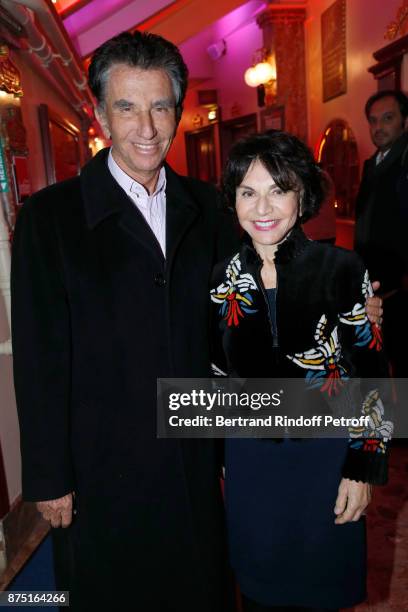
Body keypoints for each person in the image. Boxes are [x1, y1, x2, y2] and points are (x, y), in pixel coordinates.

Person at [11, 31, 237, 612]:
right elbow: (39, 358)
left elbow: (240, 309)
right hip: (99, 467)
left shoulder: (209, 207)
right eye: (127, 107)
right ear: (100, 113)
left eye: (160, 106)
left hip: (189, 456)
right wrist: (47, 477)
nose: (146, 128)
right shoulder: (50, 219)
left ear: (179, 110)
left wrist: (341, 304)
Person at [210, 131, 392, 612]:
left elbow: (371, 373)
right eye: (248, 192)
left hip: (326, 462)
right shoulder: (218, 279)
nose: (262, 206)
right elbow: (213, 373)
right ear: (232, 200)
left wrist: (363, 468)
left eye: (278, 189)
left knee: (322, 592)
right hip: (251, 466)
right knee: (259, 593)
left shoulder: (342, 269)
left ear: (302, 194)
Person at [355, 90, 408, 377]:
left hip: (401, 285)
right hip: (375, 283)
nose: (379, 127)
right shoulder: (371, 164)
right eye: (373, 121)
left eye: (388, 119)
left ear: (404, 121)